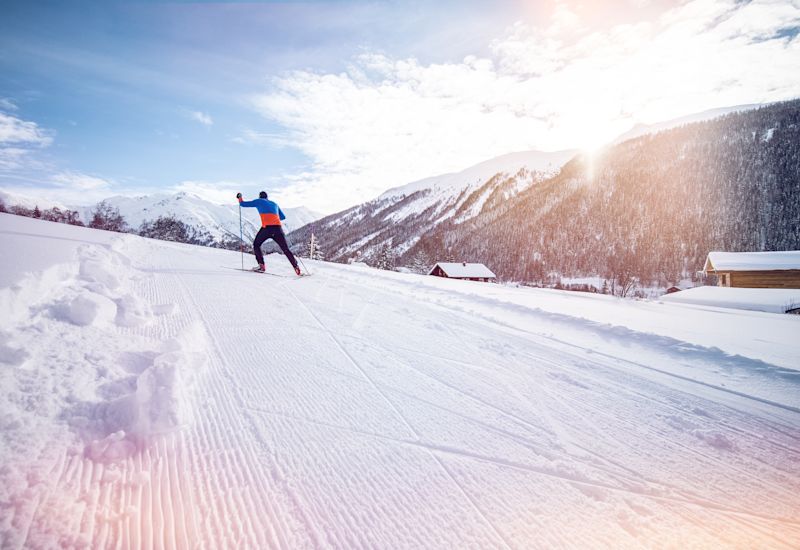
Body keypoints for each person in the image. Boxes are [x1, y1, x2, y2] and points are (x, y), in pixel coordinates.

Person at [237, 191, 301, 275]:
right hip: (278, 228)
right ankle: (296, 267)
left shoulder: (259, 201)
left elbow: (242, 204)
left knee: (256, 244)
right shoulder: (274, 204)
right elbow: (283, 217)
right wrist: (273, 216)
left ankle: (261, 266)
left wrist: (239, 197)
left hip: (267, 228)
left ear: (260, 197)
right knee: (285, 249)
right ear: (267, 197)